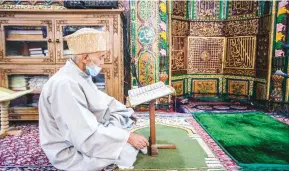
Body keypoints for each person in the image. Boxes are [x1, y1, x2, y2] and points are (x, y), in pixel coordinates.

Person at [39, 28, 149, 171]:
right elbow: (82, 132)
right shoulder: (65, 84)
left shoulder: (80, 74)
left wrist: (125, 110)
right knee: (127, 152)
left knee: (121, 115)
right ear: (85, 58)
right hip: (69, 149)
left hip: (81, 130)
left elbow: (102, 101)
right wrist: (127, 137)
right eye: (101, 57)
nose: (102, 62)